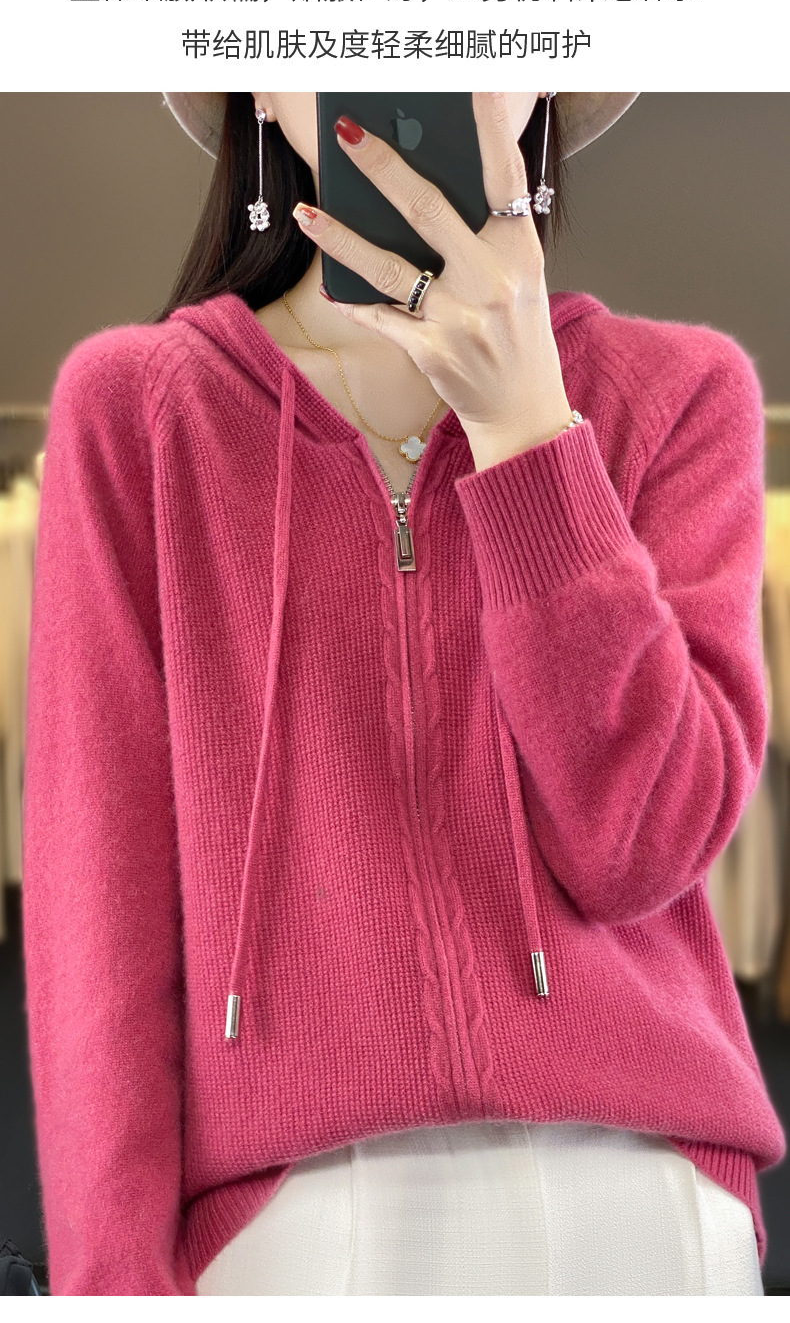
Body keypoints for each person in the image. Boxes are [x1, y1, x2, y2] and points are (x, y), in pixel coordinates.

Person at [21, 91, 786, 1297]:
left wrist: (529, 437)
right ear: (259, 75)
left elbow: (643, 845)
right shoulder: (141, 412)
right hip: (289, 1225)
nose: (412, 30)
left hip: (641, 1201)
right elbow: (96, 907)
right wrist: (112, 1285)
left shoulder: (677, 393)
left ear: (540, 72)